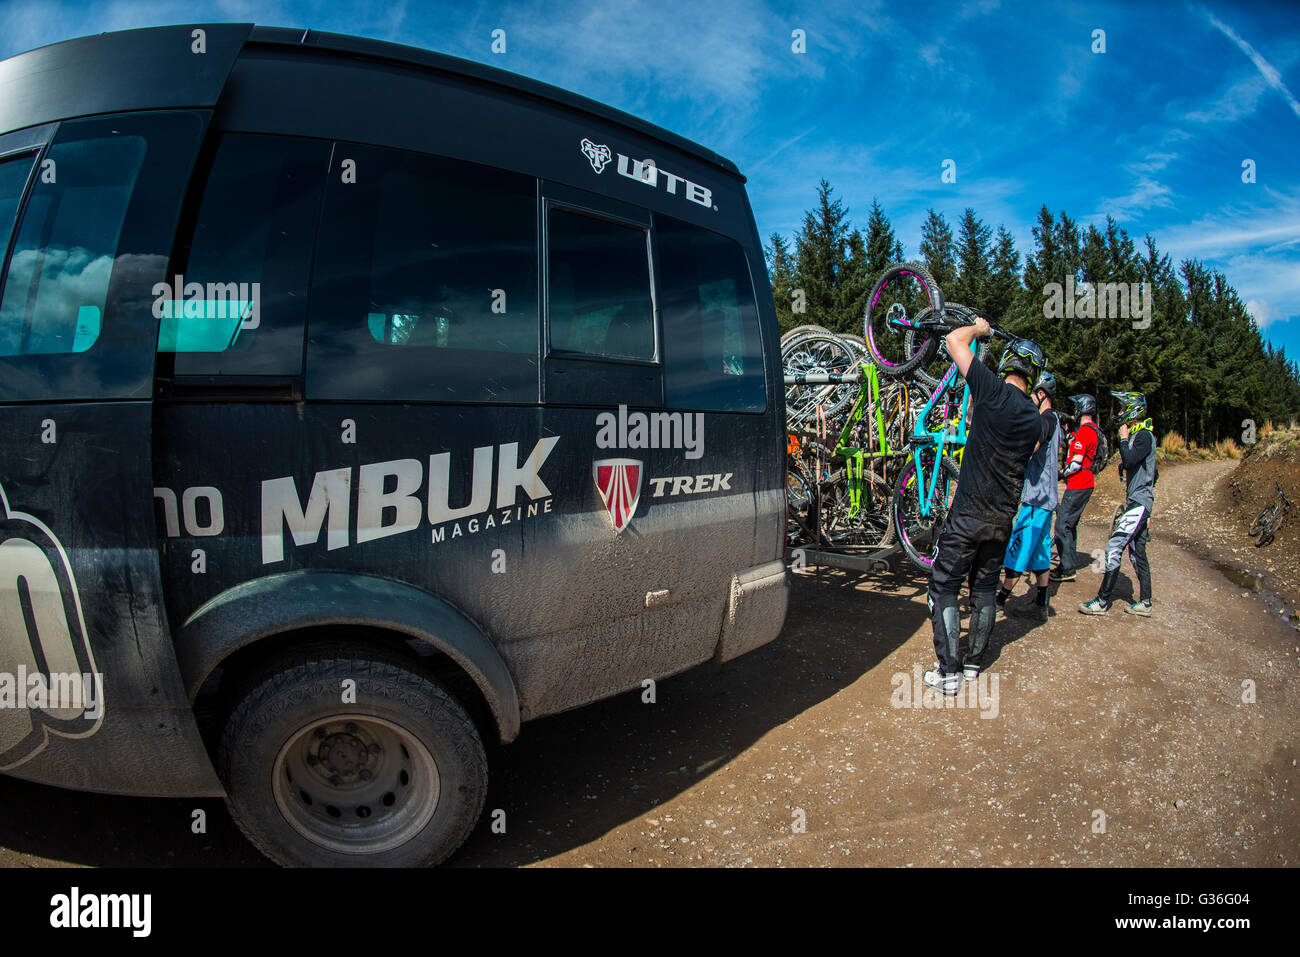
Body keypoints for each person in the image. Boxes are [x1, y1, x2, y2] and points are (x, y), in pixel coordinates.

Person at [923, 320, 1045, 697]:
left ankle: (948, 673)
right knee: (985, 590)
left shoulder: (990, 389)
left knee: (943, 588)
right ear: (1034, 376)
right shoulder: (1037, 422)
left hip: (968, 514)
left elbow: (953, 340)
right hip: (1002, 518)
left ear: (1008, 364)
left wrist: (978, 328)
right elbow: (1034, 453)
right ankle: (973, 663)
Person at [1080, 391, 1156, 616]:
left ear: (1133, 410)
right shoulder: (1142, 436)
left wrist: (1123, 439)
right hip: (1141, 501)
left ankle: (1102, 602)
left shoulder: (1141, 435)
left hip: (1139, 503)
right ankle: (1146, 602)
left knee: (1114, 546)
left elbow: (1131, 458)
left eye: (1123, 409)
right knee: (1136, 552)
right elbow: (1150, 470)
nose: (1120, 413)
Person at [996, 371, 1062, 622]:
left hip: (1035, 499)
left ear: (1042, 393)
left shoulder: (1046, 419)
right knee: (1040, 552)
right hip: (1047, 498)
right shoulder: (1054, 419)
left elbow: (1032, 444)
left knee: (1018, 550)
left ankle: (1000, 599)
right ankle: (1041, 604)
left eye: (1033, 393)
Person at [1050, 394, 1101, 582]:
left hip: (1079, 482)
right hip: (1085, 482)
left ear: (1082, 408)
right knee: (1070, 525)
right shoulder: (1092, 430)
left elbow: (1076, 462)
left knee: (1062, 525)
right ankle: (1067, 564)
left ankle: (1067, 567)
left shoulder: (1085, 431)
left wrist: (1063, 473)